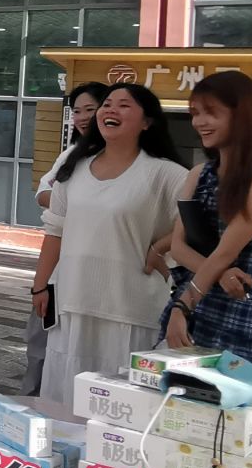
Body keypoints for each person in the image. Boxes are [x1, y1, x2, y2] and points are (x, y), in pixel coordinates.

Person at [30, 84, 185, 405]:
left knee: (121, 402)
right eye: (108, 104)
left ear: (147, 122)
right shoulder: (74, 167)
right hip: (73, 301)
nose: (110, 110)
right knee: (66, 400)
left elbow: (202, 223)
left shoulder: (165, 174)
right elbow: (55, 230)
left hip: (130, 307)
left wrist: (160, 247)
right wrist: (40, 286)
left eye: (124, 105)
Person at [162, 70, 252, 400]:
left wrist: (183, 305)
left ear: (242, 115)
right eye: (195, 113)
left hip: (247, 311)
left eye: (211, 112)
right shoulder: (198, 174)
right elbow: (178, 246)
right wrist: (219, 275)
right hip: (204, 303)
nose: (200, 122)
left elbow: (226, 250)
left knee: (245, 408)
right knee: (189, 404)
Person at [20, 82, 109, 393]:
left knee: (84, 353)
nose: (82, 117)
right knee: (41, 345)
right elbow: (43, 193)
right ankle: (33, 405)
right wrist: (75, 204)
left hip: (97, 274)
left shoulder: (130, 162)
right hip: (58, 270)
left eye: (90, 109)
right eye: (77, 111)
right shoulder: (73, 154)